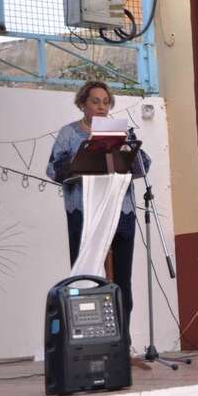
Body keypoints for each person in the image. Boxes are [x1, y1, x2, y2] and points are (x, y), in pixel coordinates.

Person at [46, 80, 149, 339]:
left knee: (122, 280)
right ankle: (91, 340)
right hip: (85, 215)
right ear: (82, 104)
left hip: (121, 213)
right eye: (95, 101)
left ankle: (122, 343)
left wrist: (127, 148)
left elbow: (143, 166)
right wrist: (82, 158)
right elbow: (53, 170)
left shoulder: (121, 132)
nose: (102, 107)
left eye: (106, 102)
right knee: (86, 278)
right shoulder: (69, 133)